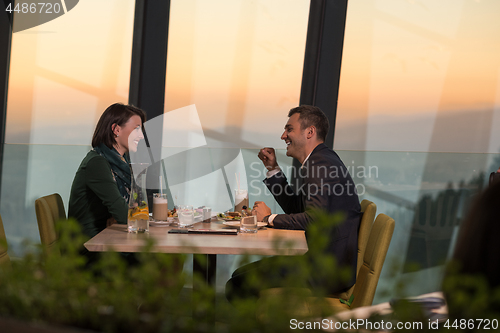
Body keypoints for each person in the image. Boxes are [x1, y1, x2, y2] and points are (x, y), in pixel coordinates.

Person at [226, 105, 362, 301]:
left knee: (237, 285)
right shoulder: (320, 160)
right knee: (239, 275)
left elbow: (313, 219)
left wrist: (267, 217)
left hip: (325, 270)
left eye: (289, 129)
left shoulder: (321, 164)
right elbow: (296, 208)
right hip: (323, 261)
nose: (283, 135)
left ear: (310, 132)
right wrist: (273, 169)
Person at [68, 103, 146, 262]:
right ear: (116, 130)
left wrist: (127, 217)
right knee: (158, 260)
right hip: (91, 248)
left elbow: (131, 211)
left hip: (107, 238)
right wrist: (126, 217)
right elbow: (125, 214)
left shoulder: (121, 163)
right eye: (137, 129)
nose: (142, 136)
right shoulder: (97, 162)